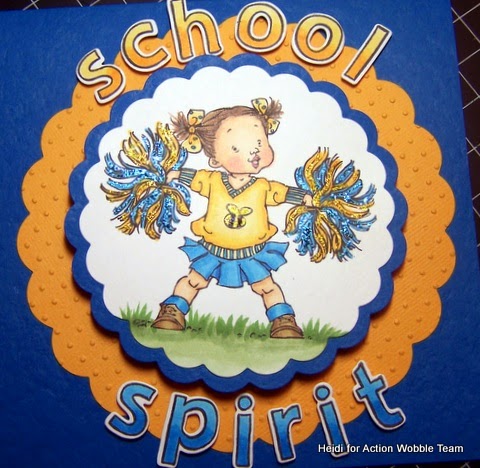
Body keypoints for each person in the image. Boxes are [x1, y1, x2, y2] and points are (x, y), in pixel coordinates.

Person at [151, 98, 312, 338]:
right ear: (215, 159)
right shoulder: (213, 181)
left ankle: (283, 321)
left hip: (252, 252)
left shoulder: (263, 187)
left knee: (267, 287)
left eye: (259, 143)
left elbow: (283, 193)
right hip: (213, 250)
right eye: (237, 148)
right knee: (194, 280)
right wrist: (175, 174)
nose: (253, 152)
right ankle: (173, 311)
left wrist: (304, 197)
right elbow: (195, 178)